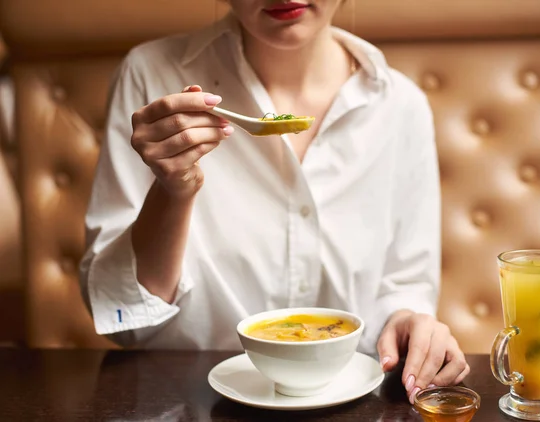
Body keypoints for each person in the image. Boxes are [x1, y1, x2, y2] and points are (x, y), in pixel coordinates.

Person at [79, 0, 469, 403]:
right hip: (186, 401)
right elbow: (125, 323)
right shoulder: (149, 75)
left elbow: (405, 287)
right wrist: (173, 190)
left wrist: (409, 325)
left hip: (352, 402)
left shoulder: (401, 105)